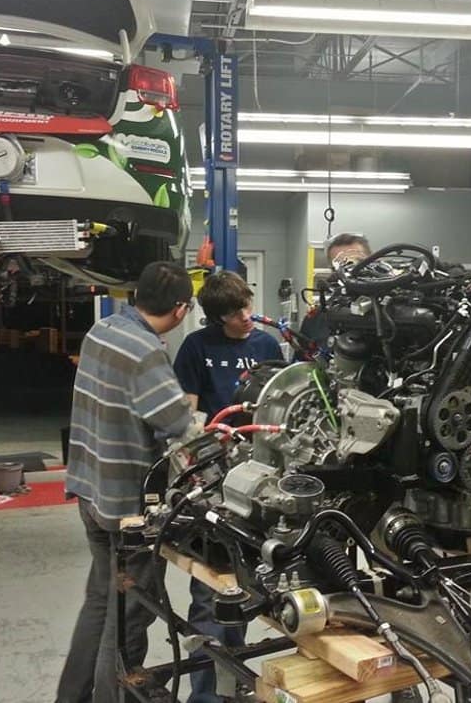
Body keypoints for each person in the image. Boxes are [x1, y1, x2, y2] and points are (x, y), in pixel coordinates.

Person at [56, 261, 196, 703]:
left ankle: (71, 697)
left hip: (90, 493)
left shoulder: (102, 331)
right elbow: (176, 420)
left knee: (100, 602)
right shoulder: (145, 352)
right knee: (126, 620)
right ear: (180, 310)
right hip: (127, 511)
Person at [173, 270, 283, 703]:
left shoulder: (267, 345)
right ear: (216, 318)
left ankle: (233, 681)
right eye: (236, 313)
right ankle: (205, 695)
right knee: (210, 590)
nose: (247, 317)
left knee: (248, 587)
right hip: (218, 476)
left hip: (263, 473)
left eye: (247, 306)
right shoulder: (197, 347)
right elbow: (188, 411)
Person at [299, 233, 372, 346]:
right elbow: (304, 361)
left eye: (356, 262)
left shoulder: (393, 311)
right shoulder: (316, 319)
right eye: (341, 265)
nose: (350, 270)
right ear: (333, 271)